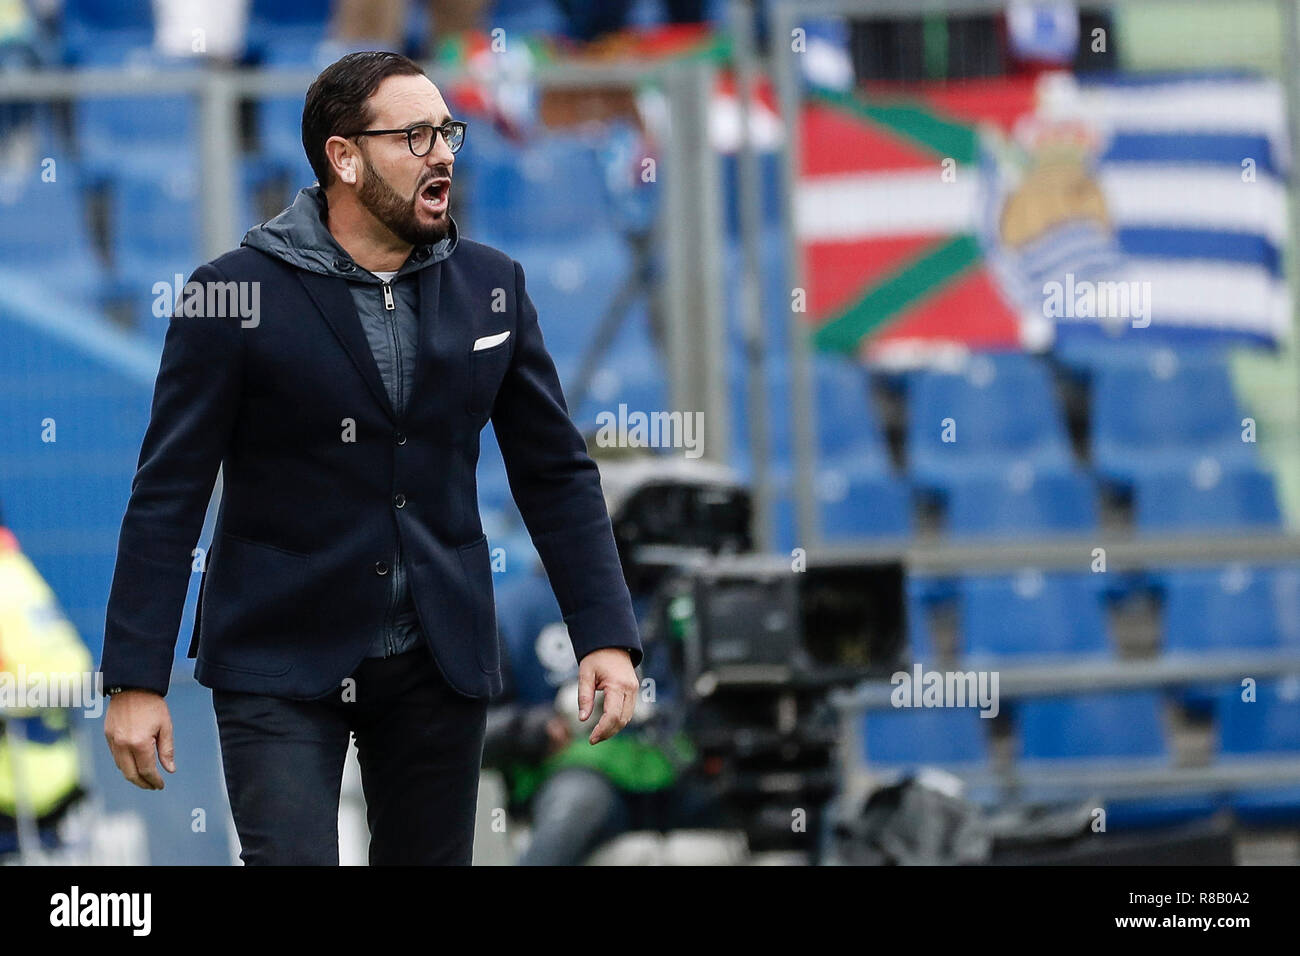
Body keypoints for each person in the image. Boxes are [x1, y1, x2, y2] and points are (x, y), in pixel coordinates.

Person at [99, 50, 643, 865]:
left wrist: (605, 631)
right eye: (415, 135)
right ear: (343, 158)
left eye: (447, 132)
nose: (444, 153)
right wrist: (134, 678)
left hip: (440, 657)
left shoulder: (494, 286)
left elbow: (555, 472)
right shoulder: (230, 294)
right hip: (276, 657)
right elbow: (168, 492)